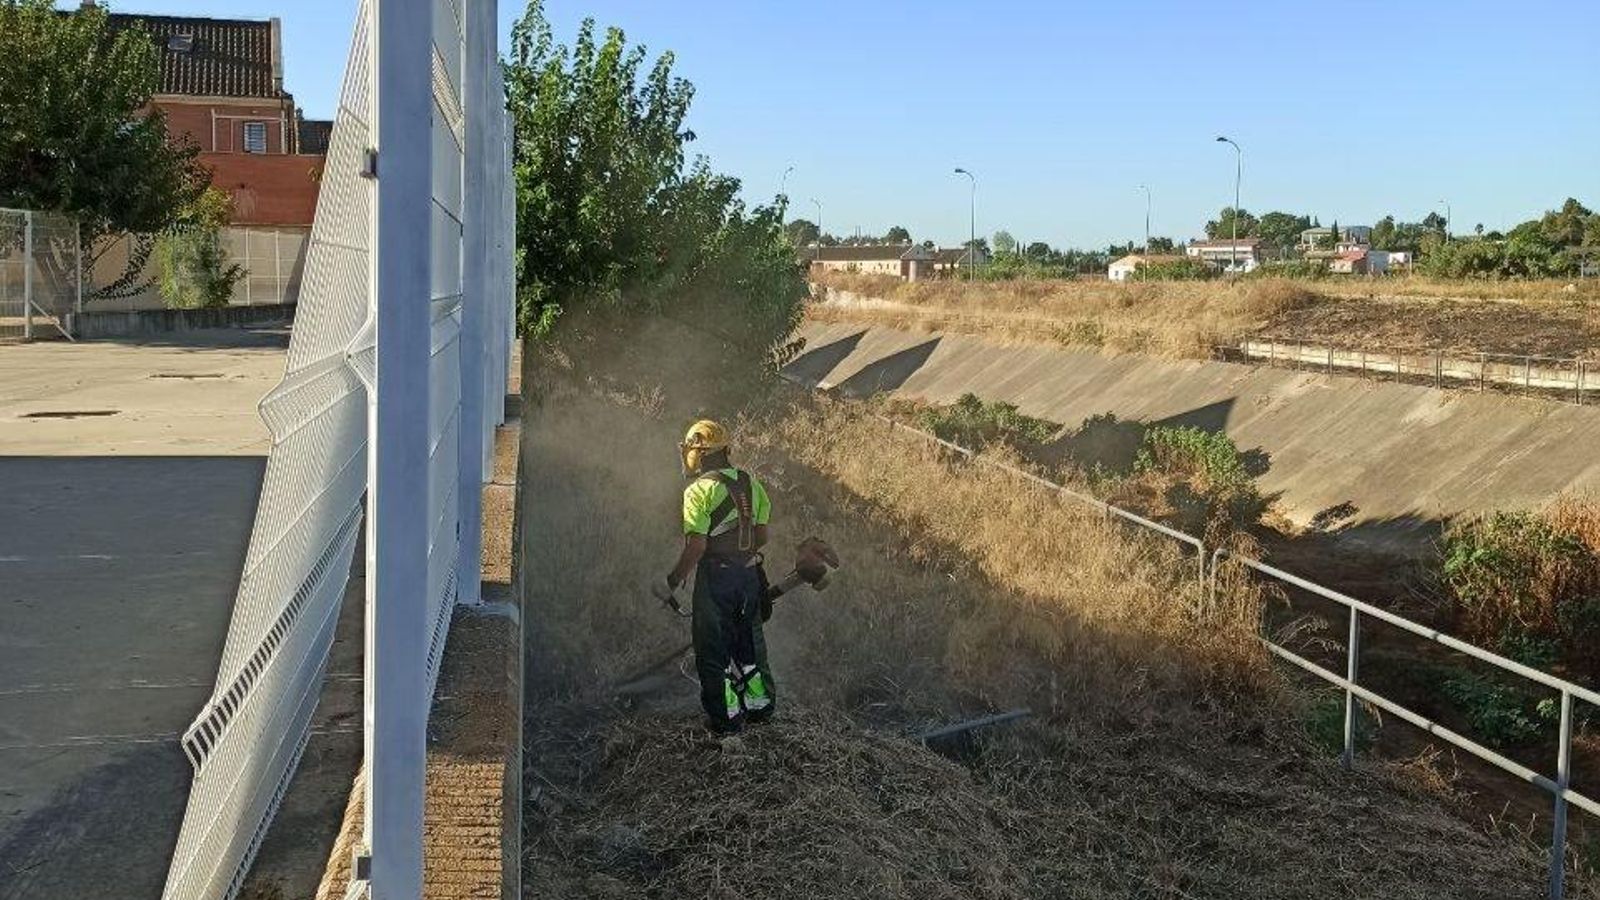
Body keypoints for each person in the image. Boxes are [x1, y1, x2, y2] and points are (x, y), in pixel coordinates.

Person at [653, 419, 777, 735]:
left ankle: (725, 720)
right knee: (748, 645)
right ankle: (760, 708)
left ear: (698, 453)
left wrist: (672, 579)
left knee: (713, 652)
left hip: (716, 580)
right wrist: (739, 555)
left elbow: (697, 545)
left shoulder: (698, 490)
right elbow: (762, 534)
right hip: (749, 577)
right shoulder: (752, 483)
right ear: (727, 451)